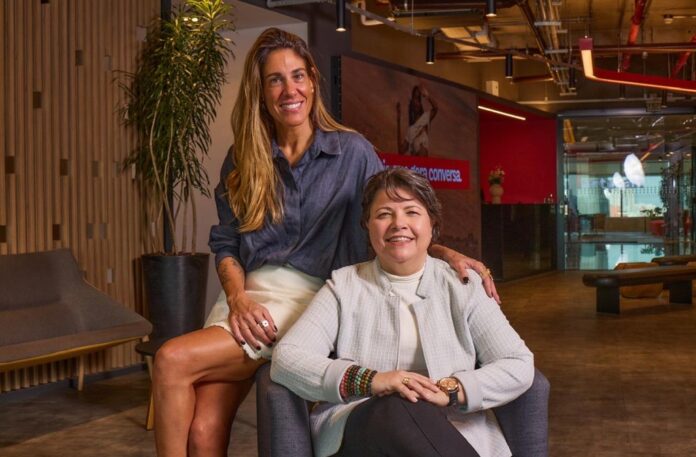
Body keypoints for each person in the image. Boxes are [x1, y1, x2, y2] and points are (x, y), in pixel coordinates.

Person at [152, 28, 498, 457]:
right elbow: (226, 243)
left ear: (313, 81)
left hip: (304, 304)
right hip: (243, 301)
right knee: (204, 429)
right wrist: (237, 298)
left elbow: (394, 216)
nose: (289, 90)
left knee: (170, 359)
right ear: (261, 92)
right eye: (275, 80)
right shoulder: (244, 158)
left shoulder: (352, 152)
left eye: (297, 76)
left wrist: (444, 253)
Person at [272, 168, 534, 457]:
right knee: (396, 406)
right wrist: (372, 380)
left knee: (410, 410)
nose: (399, 224)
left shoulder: (463, 286)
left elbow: (518, 363)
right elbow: (287, 358)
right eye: (384, 214)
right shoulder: (343, 286)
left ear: (432, 224)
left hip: (450, 428)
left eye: (412, 212)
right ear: (368, 225)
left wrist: (450, 389)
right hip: (363, 427)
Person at [399, 83, 438, 156]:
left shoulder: (425, 117)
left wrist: (427, 95)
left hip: (424, 162)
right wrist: (398, 120)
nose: (416, 102)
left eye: (418, 99)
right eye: (415, 99)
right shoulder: (411, 130)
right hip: (415, 163)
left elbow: (436, 108)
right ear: (411, 103)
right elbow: (401, 151)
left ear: (420, 103)